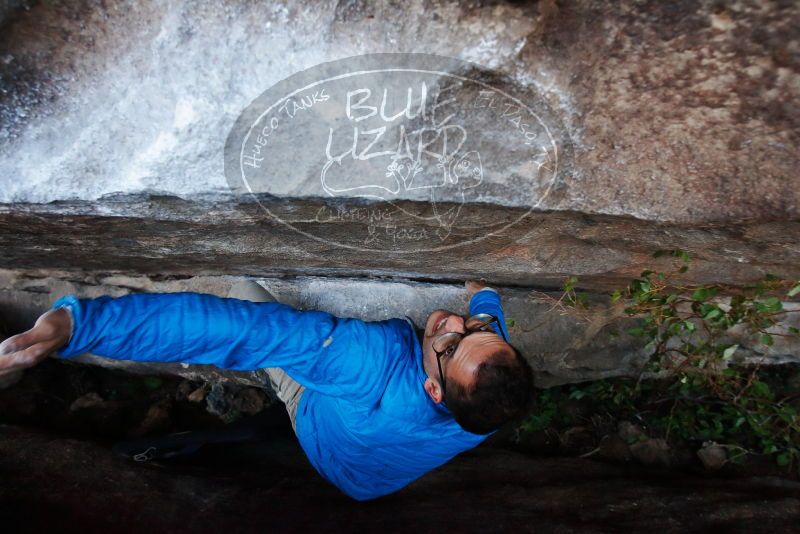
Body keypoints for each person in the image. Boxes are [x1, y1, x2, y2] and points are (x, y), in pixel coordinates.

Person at [0, 279, 534, 501]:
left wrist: (80, 327)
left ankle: (274, 393)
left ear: (434, 390)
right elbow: (489, 347)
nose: (454, 326)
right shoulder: (489, 404)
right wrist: (485, 299)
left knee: (244, 294)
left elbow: (243, 328)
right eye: (476, 329)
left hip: (329, 443)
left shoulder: (370, 363)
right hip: (377, 481)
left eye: (451, 343)